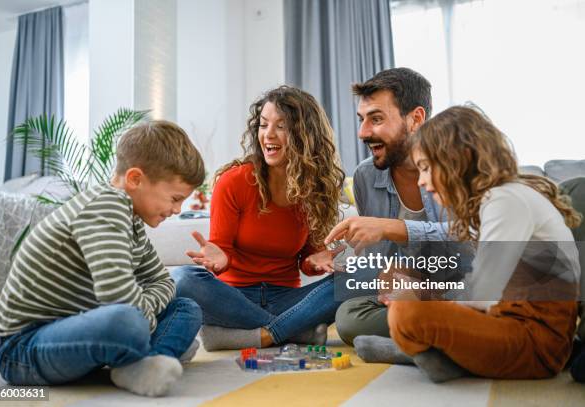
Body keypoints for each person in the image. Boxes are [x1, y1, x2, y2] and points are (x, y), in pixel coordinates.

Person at [355, 106, 582, 382]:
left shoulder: (504, 200)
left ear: (459, 159)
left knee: (407, 313)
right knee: (404, 293)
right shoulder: (492, 203)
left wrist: (421, 298)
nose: (423, 182)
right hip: (504, 320)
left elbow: (482, 295)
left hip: (535, 342)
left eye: (426, 168)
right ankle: (439, 356)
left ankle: (424, 354)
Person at [0, 121, 206, 397]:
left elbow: (161, 280)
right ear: (135, 179)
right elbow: (119, 298)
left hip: (78, 326)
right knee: (127, 320)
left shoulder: (133, 220)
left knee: (186, 308)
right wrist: (144, 317)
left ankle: (144, 360)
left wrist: (143, 310)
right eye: (174, 198)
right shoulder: (106, 205)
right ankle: (153, 350)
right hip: (22, 349)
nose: (177, 210)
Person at [171, 85, 345, 351]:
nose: (268, 135)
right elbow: (222, 252)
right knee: (182, 279)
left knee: (356, 277)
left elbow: (307, 261)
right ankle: (293, 331)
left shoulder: (313, 189)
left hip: (287, 297)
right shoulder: (235, 181)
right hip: (235, 299)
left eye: (281, 126)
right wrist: (220, 259)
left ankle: (259, 335)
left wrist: (315, 261)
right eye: (263, 125)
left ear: (305, 135)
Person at [325, 68, 451, 345]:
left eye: (376, 119)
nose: (362, 133)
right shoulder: (365, 176)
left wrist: (393, 228)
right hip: (410, 292)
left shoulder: (453, 167)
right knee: (348, 316)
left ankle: (433, 327)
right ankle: (442, 330)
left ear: (416, 118)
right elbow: (382, 263)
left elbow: (469, 240)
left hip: (460, 284)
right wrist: (337, 257)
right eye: (362, 120)